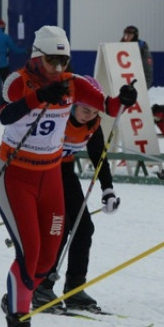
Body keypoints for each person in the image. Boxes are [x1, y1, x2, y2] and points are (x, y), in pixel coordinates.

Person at [0, 25, 137, 327]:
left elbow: (109, 108)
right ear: (36, 56)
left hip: (51, 176)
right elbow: (5, 115)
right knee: (29, 252)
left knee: (48, 256)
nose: (57, 69)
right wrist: (39, 97)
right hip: (16, 174)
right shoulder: (18, 81)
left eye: (63, 61)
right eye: (51, 61)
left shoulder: (76, 84)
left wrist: (124, 100)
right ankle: (20, 325)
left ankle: (17, 296)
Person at [30, 76, 120, 313]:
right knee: (58, 227)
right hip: (43, 173)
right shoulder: (58, 116)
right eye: (84, 110)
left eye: (93, 112)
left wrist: (107, 189)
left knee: (84, 227)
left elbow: (99, 156)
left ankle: (74, 287)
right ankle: (41, 285)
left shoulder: (93, 124)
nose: (88, 115)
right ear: (73, 104)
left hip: (65, 171)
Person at [0, 19, 26, 104]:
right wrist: (25, 50)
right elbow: (14, 49)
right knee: (7, 82)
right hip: (3, 64)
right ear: (3, 27)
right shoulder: (6, 37)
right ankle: (5, 100)